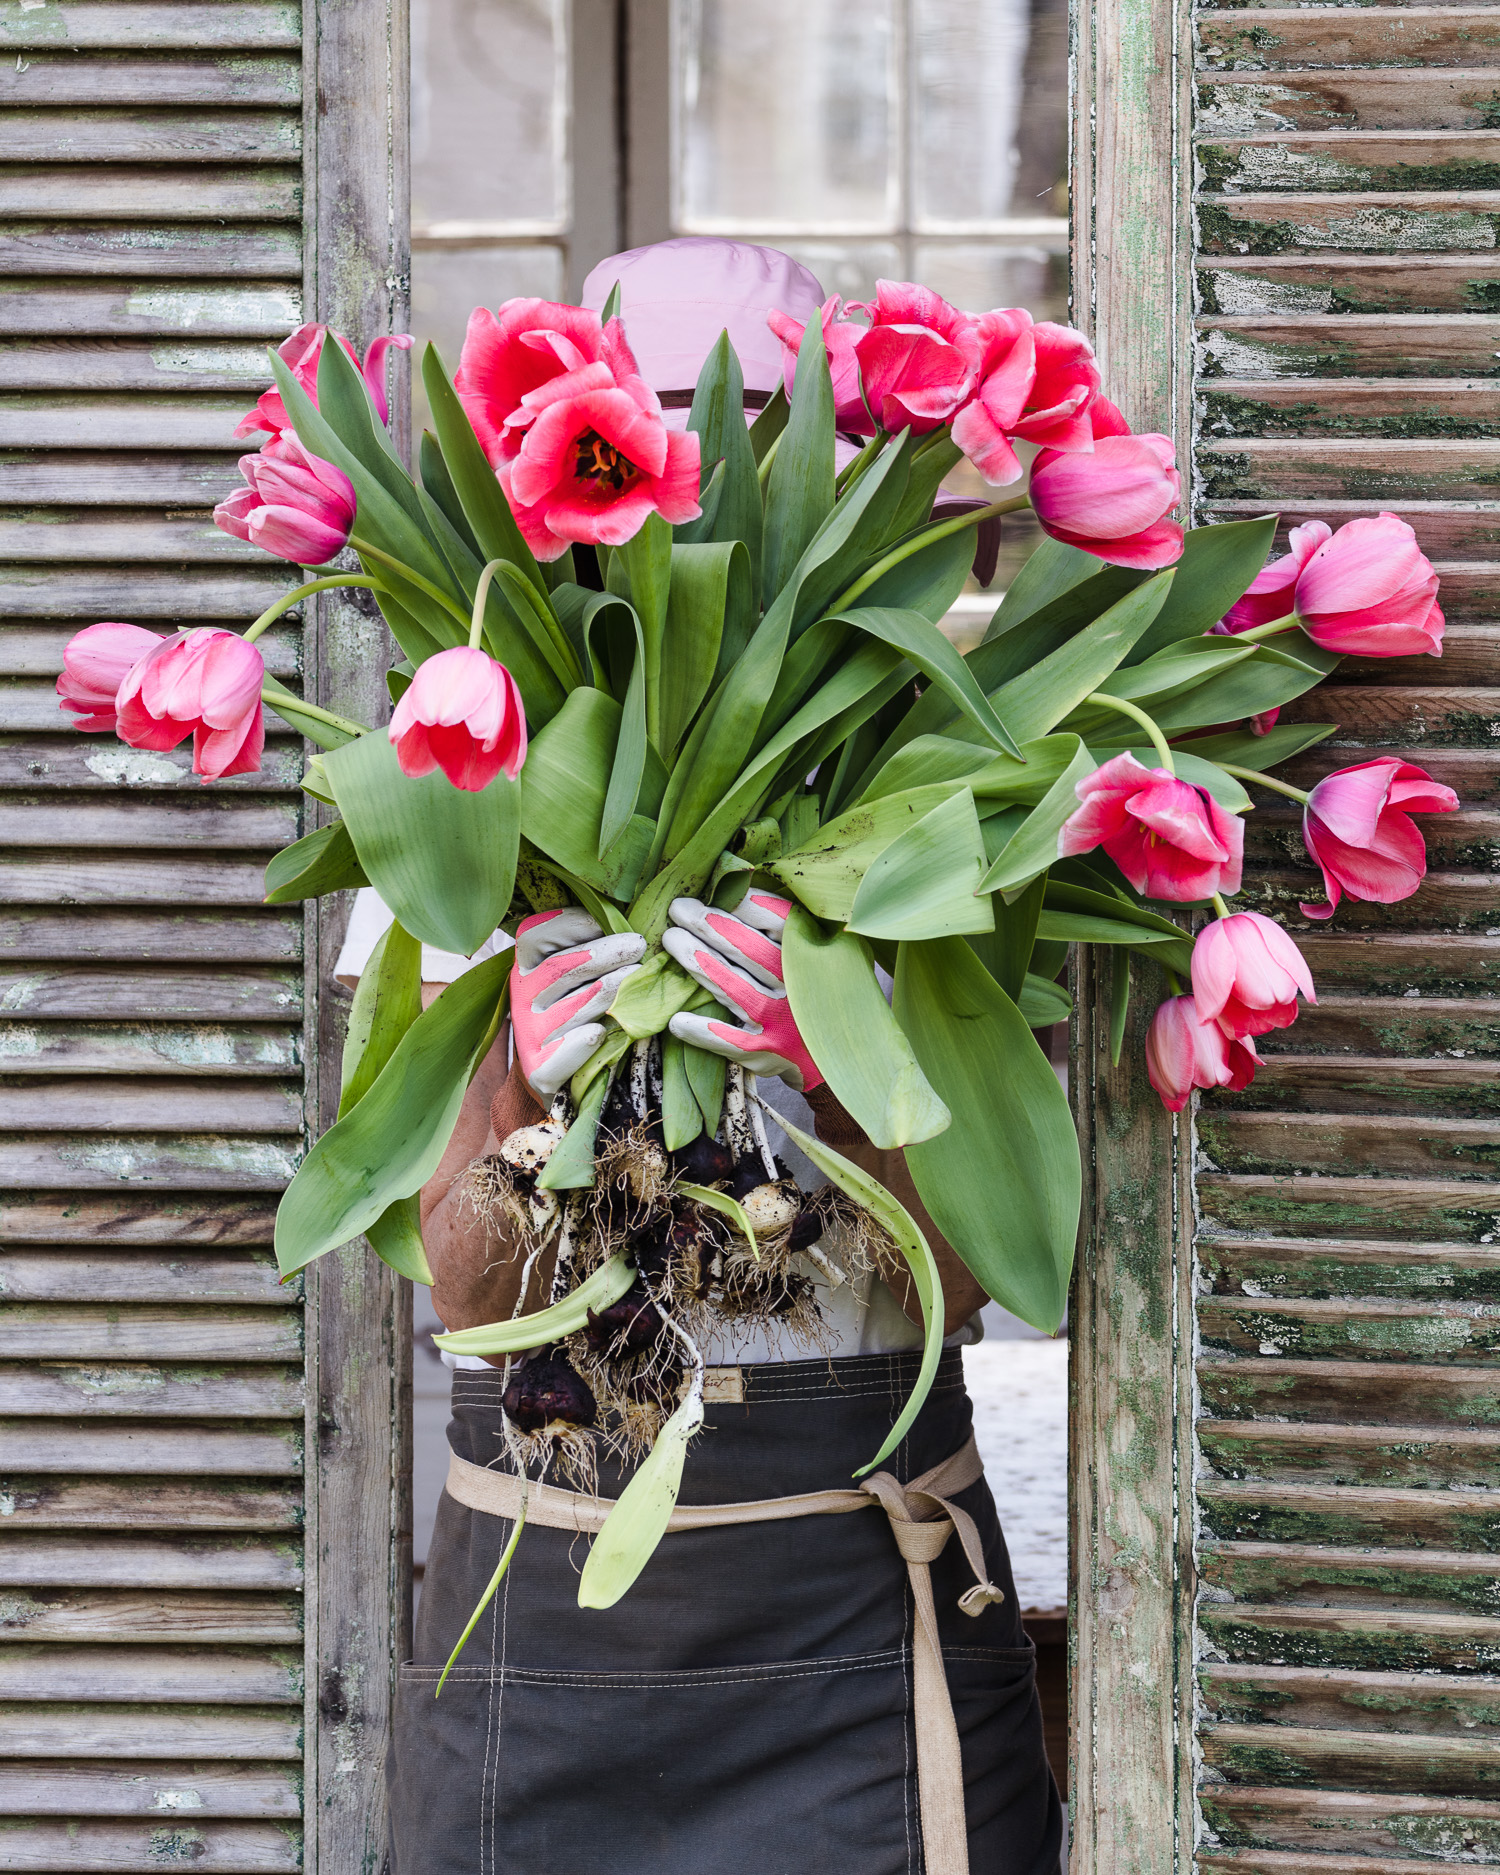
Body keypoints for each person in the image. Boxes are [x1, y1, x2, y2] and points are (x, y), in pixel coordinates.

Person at [355, 238, 1063, 1873]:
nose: (687, 506)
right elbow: (463, 1300)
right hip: (547, 1598)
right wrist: (512, 1069)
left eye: (748, 433)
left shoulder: (941, 822)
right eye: (664, 423)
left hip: (856, 1598)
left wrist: (841, 1066)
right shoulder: (457, 790)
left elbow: (970, 1287)